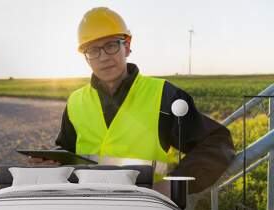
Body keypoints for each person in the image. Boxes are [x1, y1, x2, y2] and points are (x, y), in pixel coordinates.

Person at [31, 7, 235, 197]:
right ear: (86, 58)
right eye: (93, 50)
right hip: (88, 204)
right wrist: (52, 160)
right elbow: (69, 151)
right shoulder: (76, 102)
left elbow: (218, 142)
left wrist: (174, 185)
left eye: (110, 45)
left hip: (145, 209)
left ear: (127, 46)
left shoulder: (164, 96)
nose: (103, 57)